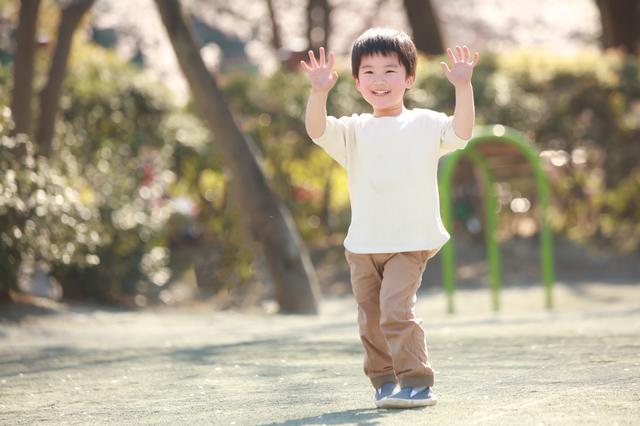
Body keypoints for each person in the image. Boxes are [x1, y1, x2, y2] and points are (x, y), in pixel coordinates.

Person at [301, 27, 478, 409]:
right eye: (369, 72)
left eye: (390, 70)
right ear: (356, 81)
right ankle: (383, 380)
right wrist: (318, 92)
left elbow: (462, 132)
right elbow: (317, 130)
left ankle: (417, 381)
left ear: (409, 78)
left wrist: (463, 87)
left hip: (409, 241)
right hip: (363, 243)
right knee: (371, 318)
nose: (379, 80)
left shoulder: (426, 123)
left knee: (396, 310)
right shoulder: (352, 129)